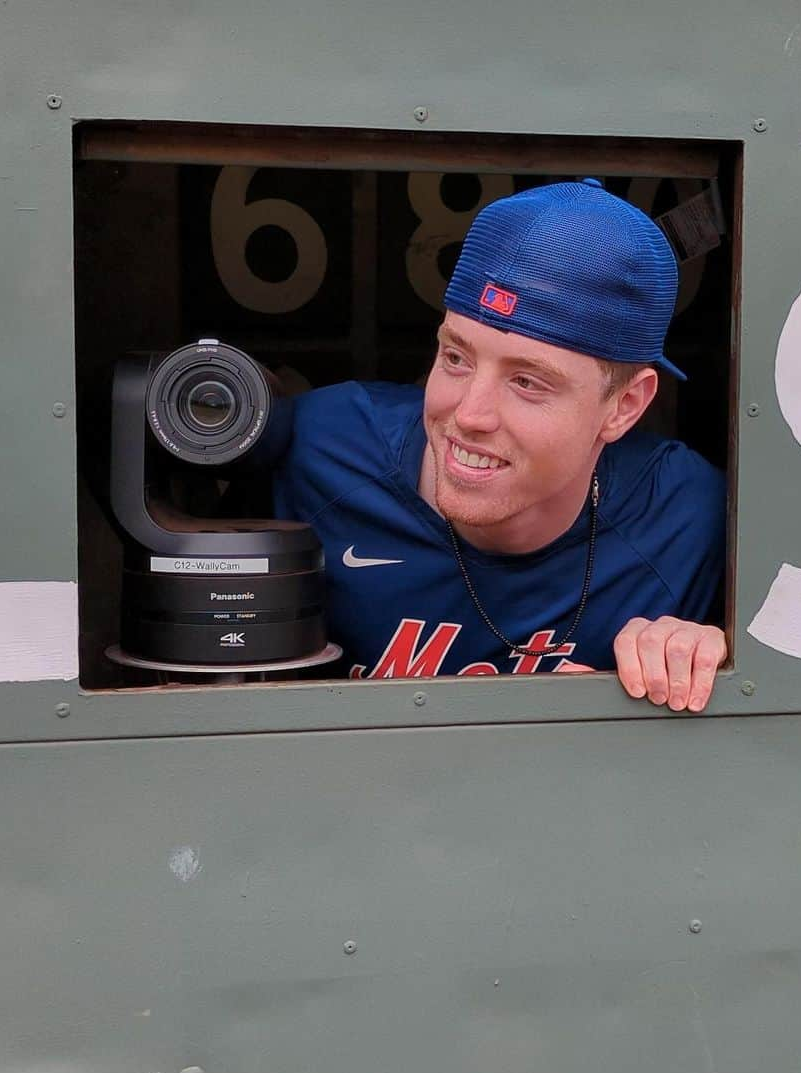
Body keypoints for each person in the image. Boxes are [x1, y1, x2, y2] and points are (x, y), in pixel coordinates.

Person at [273, 178, 727, 711]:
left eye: (527, 382)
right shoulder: (322, 446)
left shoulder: (687, 516)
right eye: (456, 358)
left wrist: (717, 647)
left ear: (623, 407)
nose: (468, 414)